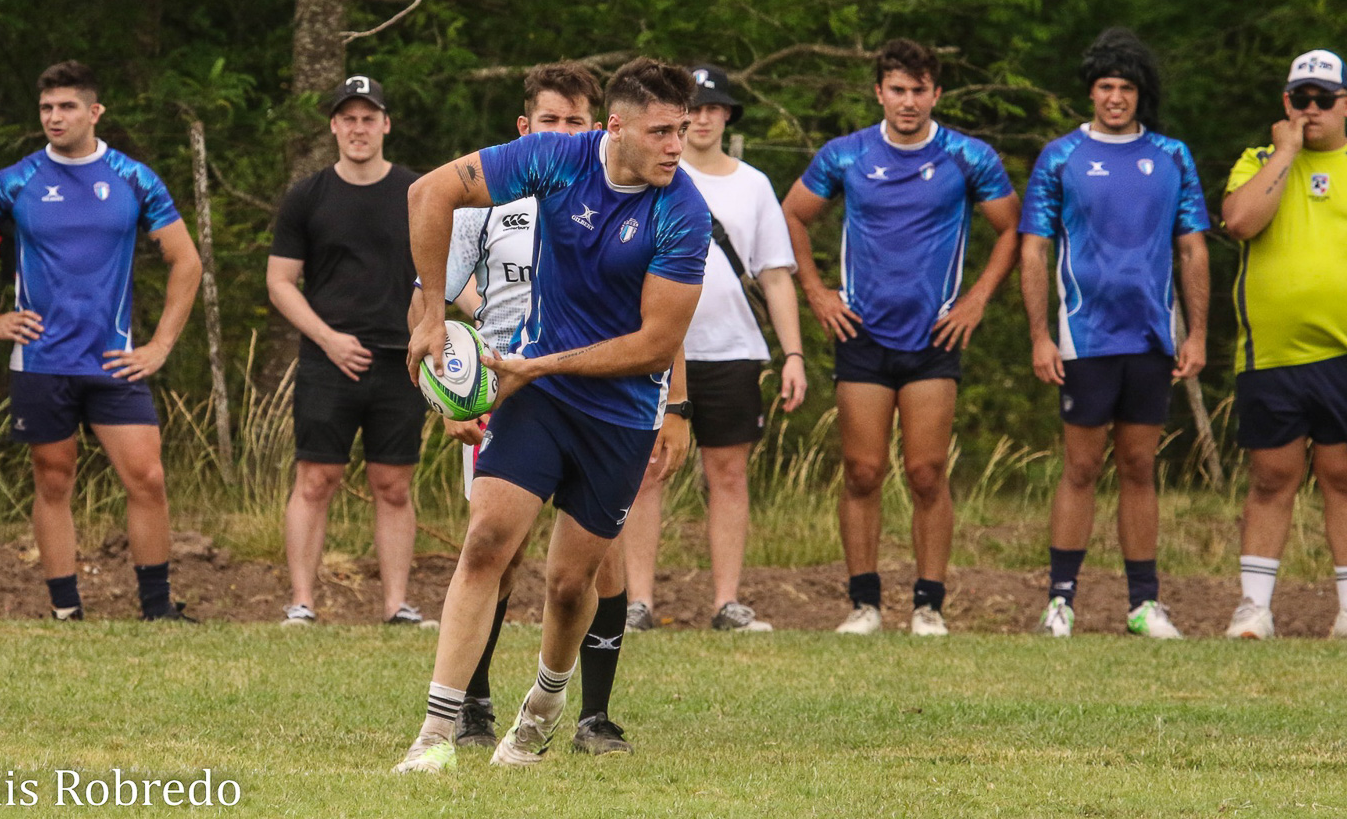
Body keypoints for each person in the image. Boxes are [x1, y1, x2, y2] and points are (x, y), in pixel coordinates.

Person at [394, 57, 709, 773]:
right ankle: (435, 734)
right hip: (538, 397)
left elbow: (656, 345)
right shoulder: (558, 157)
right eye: (661, 131)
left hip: (621, 415)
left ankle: (543, 708)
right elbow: (429, 191)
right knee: (486, 541)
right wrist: (433, 316)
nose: (675, 146)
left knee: (572, 586)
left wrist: (538, 363)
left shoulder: (684, 211)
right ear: (617, 128)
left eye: (682, 131)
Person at [780, 38, 1020, 636]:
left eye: (919, 90)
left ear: (936, 93)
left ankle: (928, 606)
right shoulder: (846, 155)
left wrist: (976, 300)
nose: (908, 101)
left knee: (926, 471)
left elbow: (1013, 228)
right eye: (897, 89)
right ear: (879, 92)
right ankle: (863, 604)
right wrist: (816, 293)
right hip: (860, 331)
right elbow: (791, 215)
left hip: (934, 334)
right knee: (862, 471)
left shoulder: (969, 155)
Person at [0, 60, 201, 621]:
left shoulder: (133, 178)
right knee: (54, 478)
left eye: (67, 106)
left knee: (147, 477)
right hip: (41, 359)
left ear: (94, 112)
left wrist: (160, 346)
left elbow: (186, 262)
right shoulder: (15, 180)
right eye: (47, 107)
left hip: (113, 360)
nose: (55, 116)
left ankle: (156, 608)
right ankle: (66, 609)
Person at [1219, 49, 1347, 640]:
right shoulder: (1257, 162)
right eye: (1300, 98)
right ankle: (1253, 608)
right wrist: (1285, 151)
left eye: (1323, 99)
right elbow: (1239, 222)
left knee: (1346, 475)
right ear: (1286, 103)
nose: (1312, 110)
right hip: (1271, 354)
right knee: (1270, 476)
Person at [1018, 29, 1210, 639]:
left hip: (1152, 337)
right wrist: (1040, 335)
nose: (1116, 98)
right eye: (1106, 87)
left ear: (1140, 94)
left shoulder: (1173, 156)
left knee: (1138, 466)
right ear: (1092, 92)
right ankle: (1061, 602)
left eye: (1126, 88)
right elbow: (1033, 249)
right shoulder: (1061, 156)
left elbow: (1191, 247)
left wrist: (1197, 333)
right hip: (1084, 338)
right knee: (1080, 467)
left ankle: (1143, 605)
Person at [621, 63, 808, 633]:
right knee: (646, 471)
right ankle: (639, 602)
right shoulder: (654, 174)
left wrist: (794, 354)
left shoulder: (753, 184)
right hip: (655, 347)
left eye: (712, 107)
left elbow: (775, 274)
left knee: (726, 474)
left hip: (732, 348)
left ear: (727, 115)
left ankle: (727, 601)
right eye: (692, 109)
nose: (702, 118)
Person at [267, 75, 430, 627]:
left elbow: (445, 273)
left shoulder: (417, 193)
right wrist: (328, 339)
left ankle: (396, 606)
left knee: (393, 484)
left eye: (369, 118)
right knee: (316, 480)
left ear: (385, 124)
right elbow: (281, 282)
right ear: (334, 126)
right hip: (327, 359)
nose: (358, 128)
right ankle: (302, 603)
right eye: (348, 118)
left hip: (400, 361)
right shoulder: (308, 196)